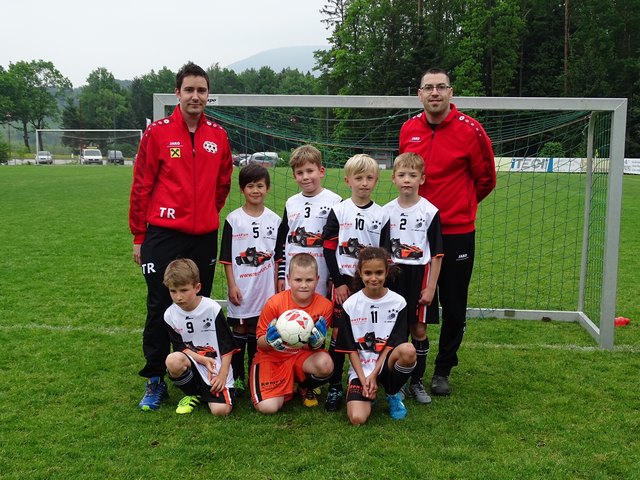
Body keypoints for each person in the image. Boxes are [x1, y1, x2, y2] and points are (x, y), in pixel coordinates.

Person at [129, 61, 233, 410]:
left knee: (199, 307)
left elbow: (222, 185)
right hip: (163, 234)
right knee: (161, 304)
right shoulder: (157, 133)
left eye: (201, 90)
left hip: (202, 234)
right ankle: (156, 378)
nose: (195, 96)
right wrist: (139, 235)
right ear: (178, 93)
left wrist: (204, 213)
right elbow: (142, 186)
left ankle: (198, 373)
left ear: (208, 95)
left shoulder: (218, 135)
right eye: (189, 89)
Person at [398, 67, 496, 396]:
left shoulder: (471, 130)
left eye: (441, 87)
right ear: (420, 94)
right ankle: (407, 365)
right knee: (414, 299)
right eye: (429, 88)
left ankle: (443, 370)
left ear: (451, 93)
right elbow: (406, 174)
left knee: (454, 302)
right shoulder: (408, 129)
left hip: (456, 231)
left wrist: (460, 207)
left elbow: (486, 179)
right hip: (414, 232)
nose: (435, 93)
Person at [321, 154, 390, 412]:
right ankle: (335, 385)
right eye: (358, 178)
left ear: (376, 181)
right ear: (348, 180)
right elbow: (328, 248)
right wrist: (338, 282)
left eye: (369, 178)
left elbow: (384, 255)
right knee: (339, 333)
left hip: (369, 285)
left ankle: (366, 378)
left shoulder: (382, 215)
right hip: (344, 284)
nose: (364, 183)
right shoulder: (339, 210)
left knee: (367, 331)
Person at [383, 152, 443, 405]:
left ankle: (417, 380)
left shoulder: (430, 211)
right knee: (394, 331)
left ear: (422, 178)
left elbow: (438, 254)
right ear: (394, 178)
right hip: (394, 276)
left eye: (413, 175)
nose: (407, 180)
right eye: (402, 175)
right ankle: (396, 381)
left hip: (420, 275)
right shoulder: (385, 211)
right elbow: (383, 251)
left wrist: (430, 288)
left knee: (418, 329)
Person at [335, 247, 417, 424]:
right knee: (357, 418)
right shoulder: (350, 305)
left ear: (387, 272)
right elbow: (351, 350)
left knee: (409, 351)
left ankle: (392, 392)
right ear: (360, 273)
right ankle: (366, 390)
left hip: (386, 363)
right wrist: (364, 379)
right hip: (361, 369)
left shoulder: (399, 302)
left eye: (379, 272)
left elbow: (392, 344)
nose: (374, 278)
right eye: (368, 273)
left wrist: (374, 374)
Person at [219, 163, 281, 396]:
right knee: (241, 327)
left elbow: (277, 259)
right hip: (241, 286)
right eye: (250, 186)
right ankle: (238, 377)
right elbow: (226, 258)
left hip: (265, 287)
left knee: (259, 330)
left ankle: (256, 371)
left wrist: (277, 288)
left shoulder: (274, 220)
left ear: (267, 188)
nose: (256, 190)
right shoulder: (233, 220)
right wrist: (232, 285)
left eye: (260, 186)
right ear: (242, 189)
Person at [250, 253, 334, 414]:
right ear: (288, 279)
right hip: (273, 357)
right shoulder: (274, 303)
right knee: (268, 408)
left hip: (301, 356)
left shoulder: (325, 306)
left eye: (309, 280)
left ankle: (304, 386)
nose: (303, 285)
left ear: (317, 279)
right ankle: (288, 385)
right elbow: (259, 342)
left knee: (325, 364)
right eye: (298, 280)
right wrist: (269, 340)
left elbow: (316, 346)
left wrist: (316, 343)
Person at [163, 259, 238, 416]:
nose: (178, 297)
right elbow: (180, 347)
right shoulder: (169, 314)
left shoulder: (211, 308)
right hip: (196, 360)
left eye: (183, 290)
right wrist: (202, 359)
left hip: (217, 365)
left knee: (220, 411)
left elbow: (228, 346)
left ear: (197, 287)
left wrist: (223, 374)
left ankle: (219, 391)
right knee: (173, 360)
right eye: (173, 291)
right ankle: (193, 393)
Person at [274, 145, 341, 299]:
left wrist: (333, 277)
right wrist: (282, 274)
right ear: (294, 175)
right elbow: (284, 241)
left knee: (319, 317)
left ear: (321, 171)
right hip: (294, 273)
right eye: (300, 173)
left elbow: (337, 243)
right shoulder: (290, 203)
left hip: (321, 271)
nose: (305, 177)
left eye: (310, 171)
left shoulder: (335, 202)